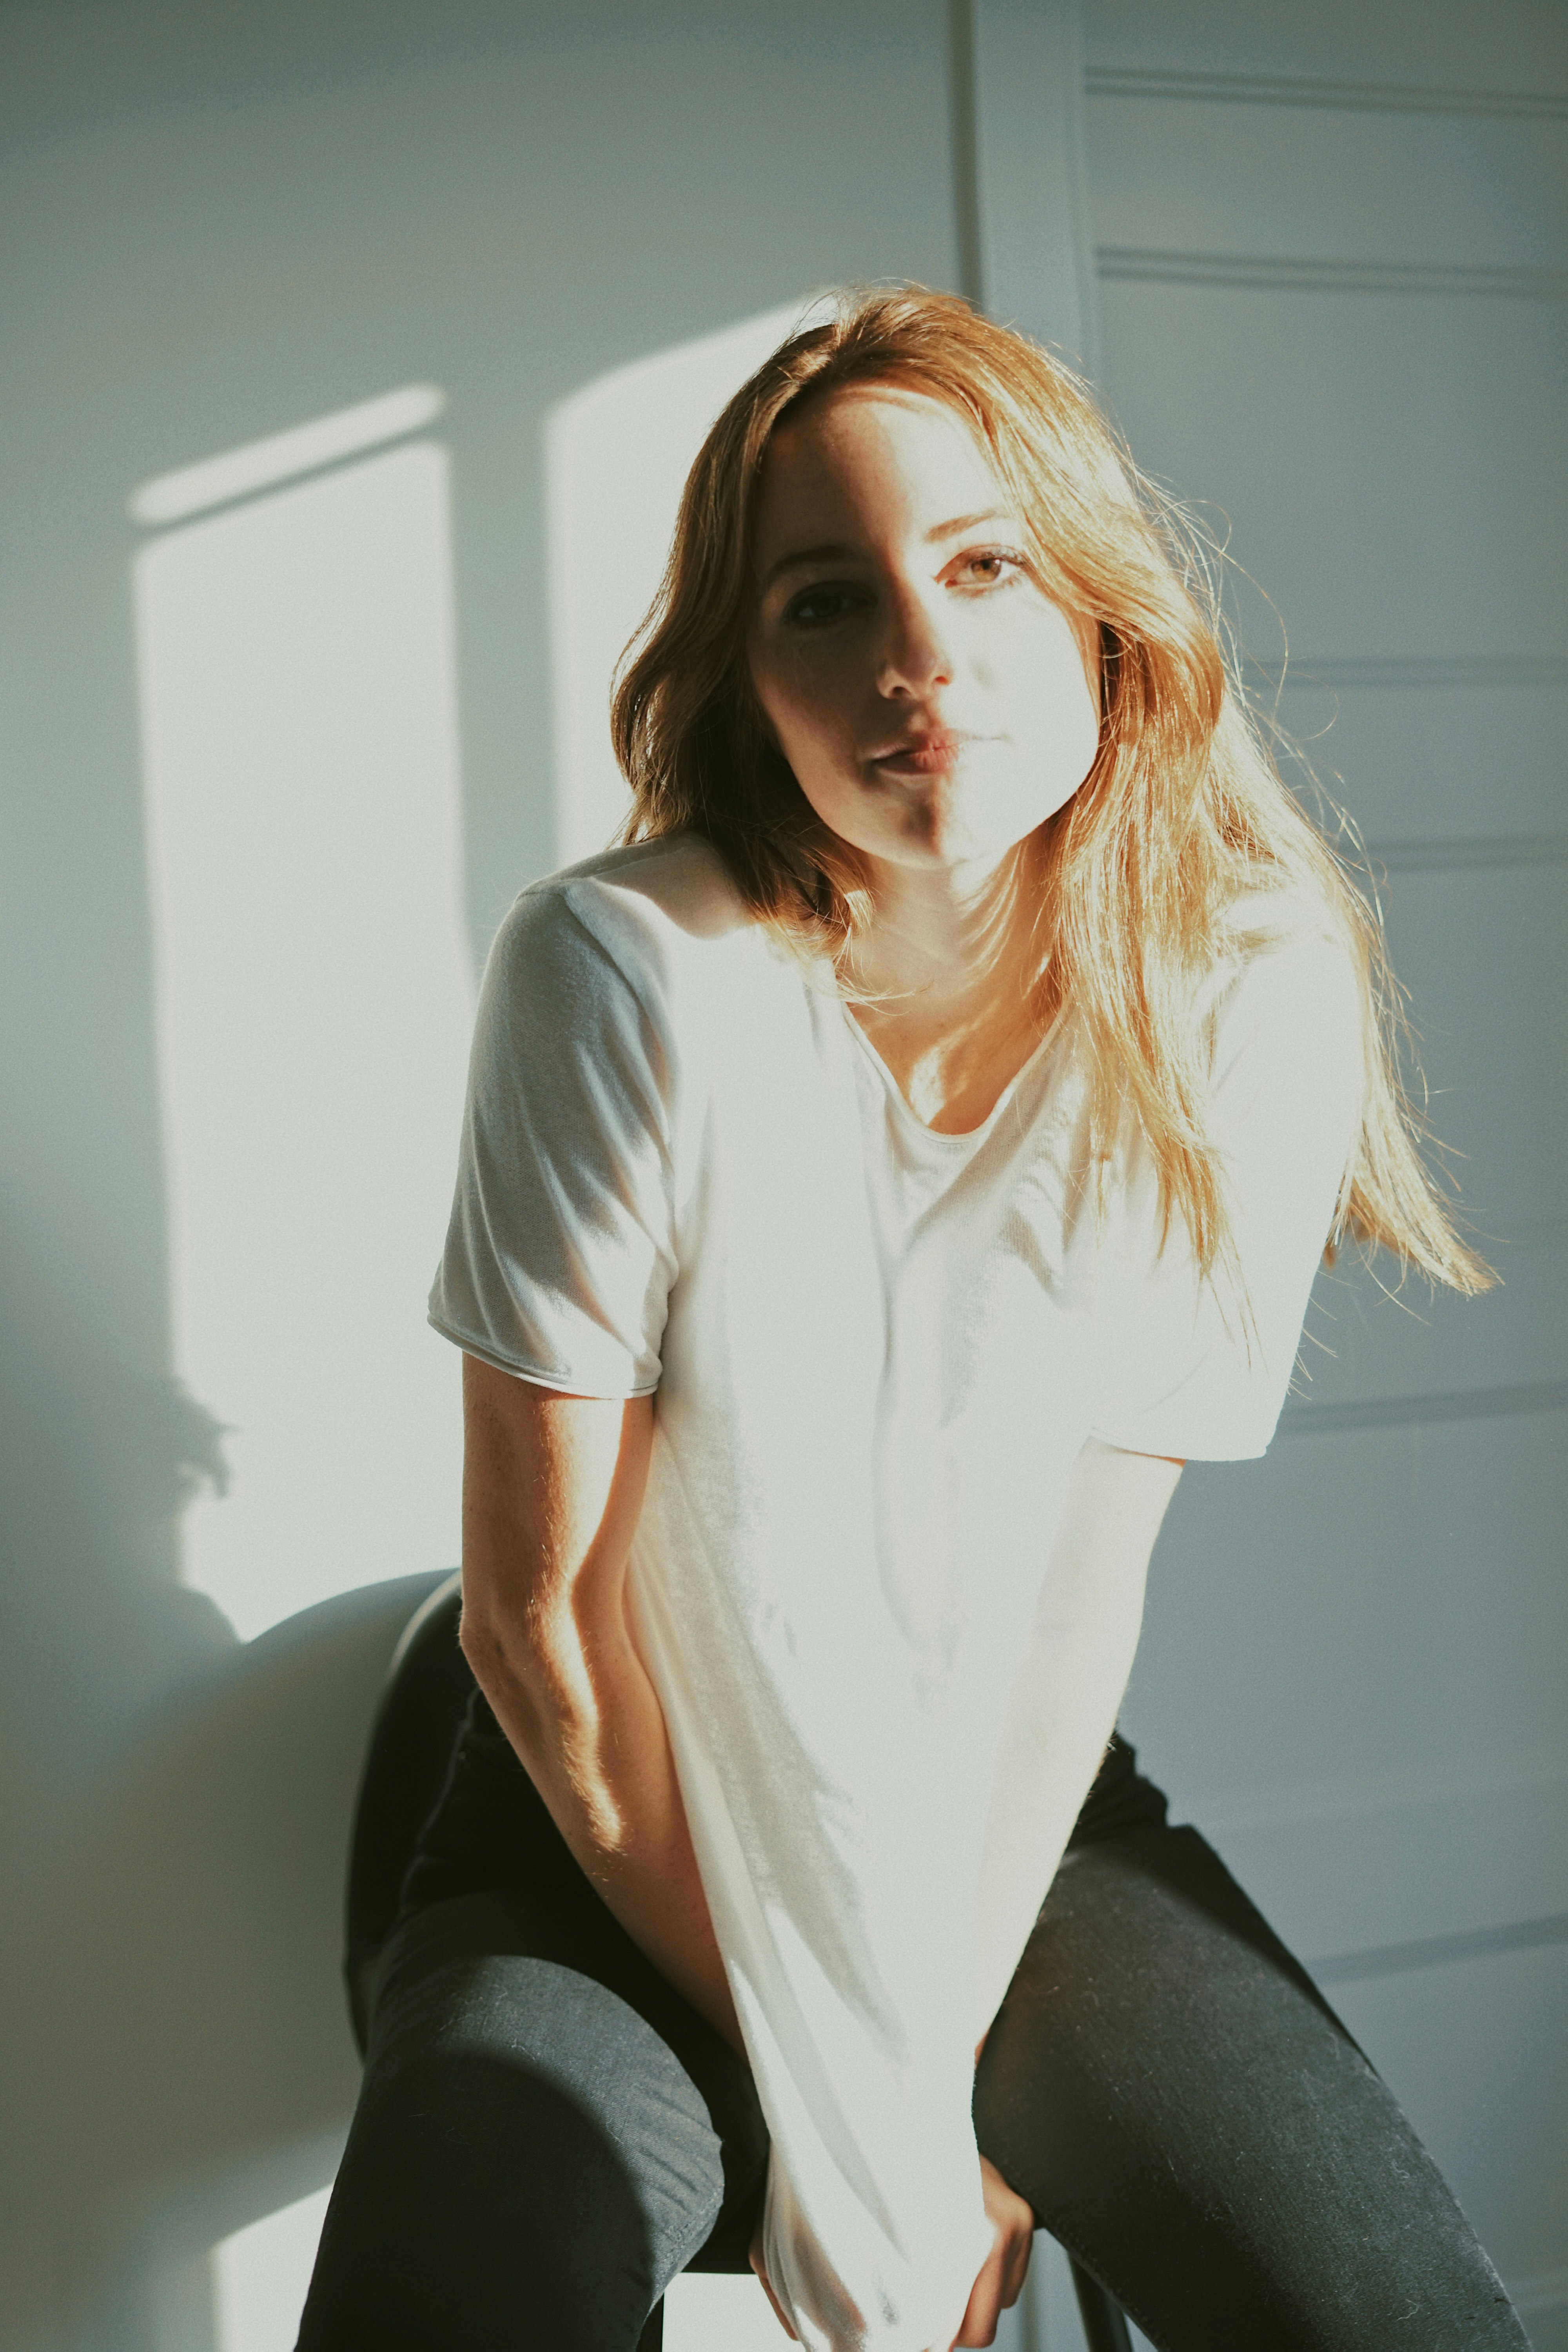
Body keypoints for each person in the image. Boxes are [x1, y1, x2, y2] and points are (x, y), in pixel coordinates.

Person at [297, 286, 1528, 2352]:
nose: (917, 664)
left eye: (983, 571)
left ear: (1106, 619)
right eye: (821, 604)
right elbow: (551, 1621)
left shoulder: (1249, 988)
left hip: (992, 1810)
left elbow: (1069, 1595)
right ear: (746, 677)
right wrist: (859, 2127)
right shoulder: (622, 979)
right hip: (607, 1826)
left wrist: (892, 2075)